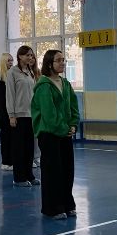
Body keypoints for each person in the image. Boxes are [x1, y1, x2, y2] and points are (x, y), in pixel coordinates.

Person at [32, 50, 79, 220]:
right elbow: (49, 114)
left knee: (67, 170)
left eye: (63, 60)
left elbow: (73, 106)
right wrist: (64, 128)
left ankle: (67, 203)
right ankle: (52, 207)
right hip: (49, 134)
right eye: (58, 60)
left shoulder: (65, 84)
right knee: (53, 172)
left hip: (65, 132)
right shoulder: (44, 86)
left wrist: (73, 124)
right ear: (49, 64)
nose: (62, 63)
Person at [6, 45, 40, 187]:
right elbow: (10, 94)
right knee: (19, 148)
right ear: (20, 56)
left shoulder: (31, 72)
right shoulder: (12, 72)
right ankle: (19, 178)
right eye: (27, 55)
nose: (30, 57)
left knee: (29, 148)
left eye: (31, 55)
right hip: (18, 116)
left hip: (31, 115)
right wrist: (11, 115)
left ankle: (29, 175)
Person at [0, 53, 13, 170]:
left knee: (13, 139)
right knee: (6, 139)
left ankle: (12, 160)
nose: (11, 63)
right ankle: (6, 162)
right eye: (9, 61)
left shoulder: (11, 76)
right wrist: (5, 115)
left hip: (12, 113)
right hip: (4, 114)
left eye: (12, 61)